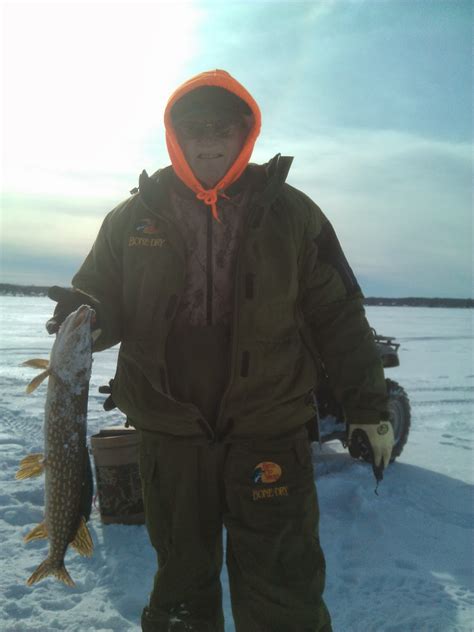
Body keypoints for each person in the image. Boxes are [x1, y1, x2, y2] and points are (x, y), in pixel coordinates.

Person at [47, 69, 394, 632]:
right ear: (173, 136)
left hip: (269, 426)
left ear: (245, 132)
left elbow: (339, 314)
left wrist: (370, 405)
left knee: (283, 587)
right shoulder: (132, 218)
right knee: (181, 584)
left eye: (221, 127)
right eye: (192, 128)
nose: (206, 138)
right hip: (170, 432)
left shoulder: (293, 214)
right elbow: (101, 300)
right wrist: (82, 315)